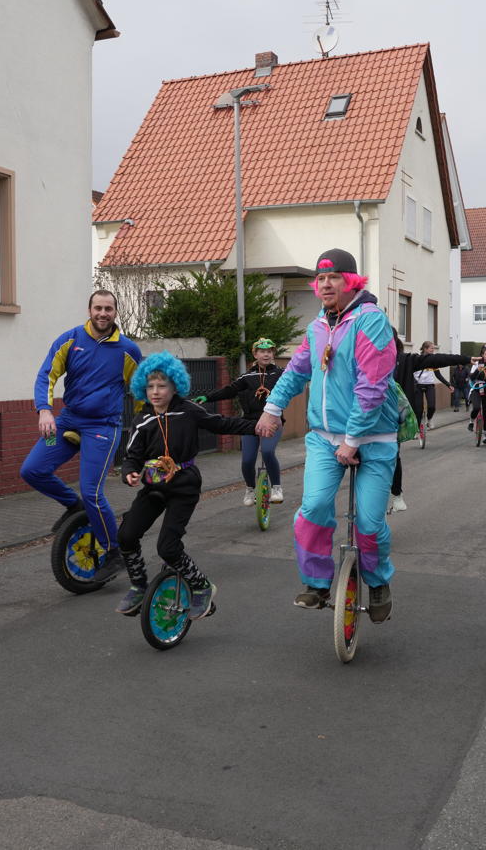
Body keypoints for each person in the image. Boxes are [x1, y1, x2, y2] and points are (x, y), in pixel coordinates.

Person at [256, 248, 398, 623]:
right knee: (314, 509)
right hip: (323, 437)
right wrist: (272, 408)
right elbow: (297, 370)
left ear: (351, 281)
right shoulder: (318, 326)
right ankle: (317, 583)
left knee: (368, 523)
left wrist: (352, 439)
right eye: (320, 279)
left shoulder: (371, 321)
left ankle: (378, 581)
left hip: (373, 438)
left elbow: (373, 386)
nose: (325, 284)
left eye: (333, 277)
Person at [114, 353, 257, 617]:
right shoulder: (142, 420)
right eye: (150, 387)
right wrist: (130, 473)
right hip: (154, 486)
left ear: (175, 386)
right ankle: (139, 585)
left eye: (162, 386)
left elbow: (222, 423)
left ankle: (201, 587)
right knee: (125, 535)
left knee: (167, 547)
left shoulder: (188, 411)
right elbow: (132, 455)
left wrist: (257, 427)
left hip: (184, 486)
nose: (155, 392)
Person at [20, 289, 141, 579]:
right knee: (32, 470)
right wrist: (45, 410)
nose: (103, 313)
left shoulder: (127, 350)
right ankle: (72, 505)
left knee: (92, 491)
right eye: (98, 308)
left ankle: (114, 551)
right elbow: (46, 374)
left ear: (115, 313)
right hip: (67, 421)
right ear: (89, 310)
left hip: (103, 426)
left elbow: (140, 392)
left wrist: (143, 423)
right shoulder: (70, 339)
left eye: (108, 309)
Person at [196, 337, 286, 506]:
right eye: (262, 351)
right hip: (250, 424)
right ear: (255, 354)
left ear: (273, 353)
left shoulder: (281, 373)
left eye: (269, 351)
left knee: (267, 452)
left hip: (273, 422)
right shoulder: (247, 376)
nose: (266, 354)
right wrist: (208, 397)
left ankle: (276, 487)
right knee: (247, 460)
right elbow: (229, 390)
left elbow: (294, 383)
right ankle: (250, 489)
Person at [390, 336, 471, 511]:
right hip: (369, 419)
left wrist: (465, 359)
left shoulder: (404, 360)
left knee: (393, 454)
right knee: (418, 409)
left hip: (392, 419)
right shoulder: (363, 358)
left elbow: (439, 362)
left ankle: (397, 494)